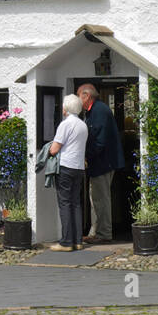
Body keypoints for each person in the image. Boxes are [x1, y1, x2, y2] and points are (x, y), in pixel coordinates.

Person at [79, 83, 123, 243]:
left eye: (79, 96)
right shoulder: (94, 110)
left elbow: (99, 140)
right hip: (100, 162)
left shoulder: (99, 111)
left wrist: (85, 156)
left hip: (103, 162)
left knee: (100, 199)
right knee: (96, 198)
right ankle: (95, 232)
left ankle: (103, 234)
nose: (78, 100)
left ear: (86, 96)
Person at [49, 93, 88, 251]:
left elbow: (54, 149)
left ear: (66, 108)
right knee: (75, 204)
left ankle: (66, 242)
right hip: (79, 167)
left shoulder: (65, 124)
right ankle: (78, 240)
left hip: (65, 166)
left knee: (64, 204)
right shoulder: (82, 125)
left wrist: (49, 150)